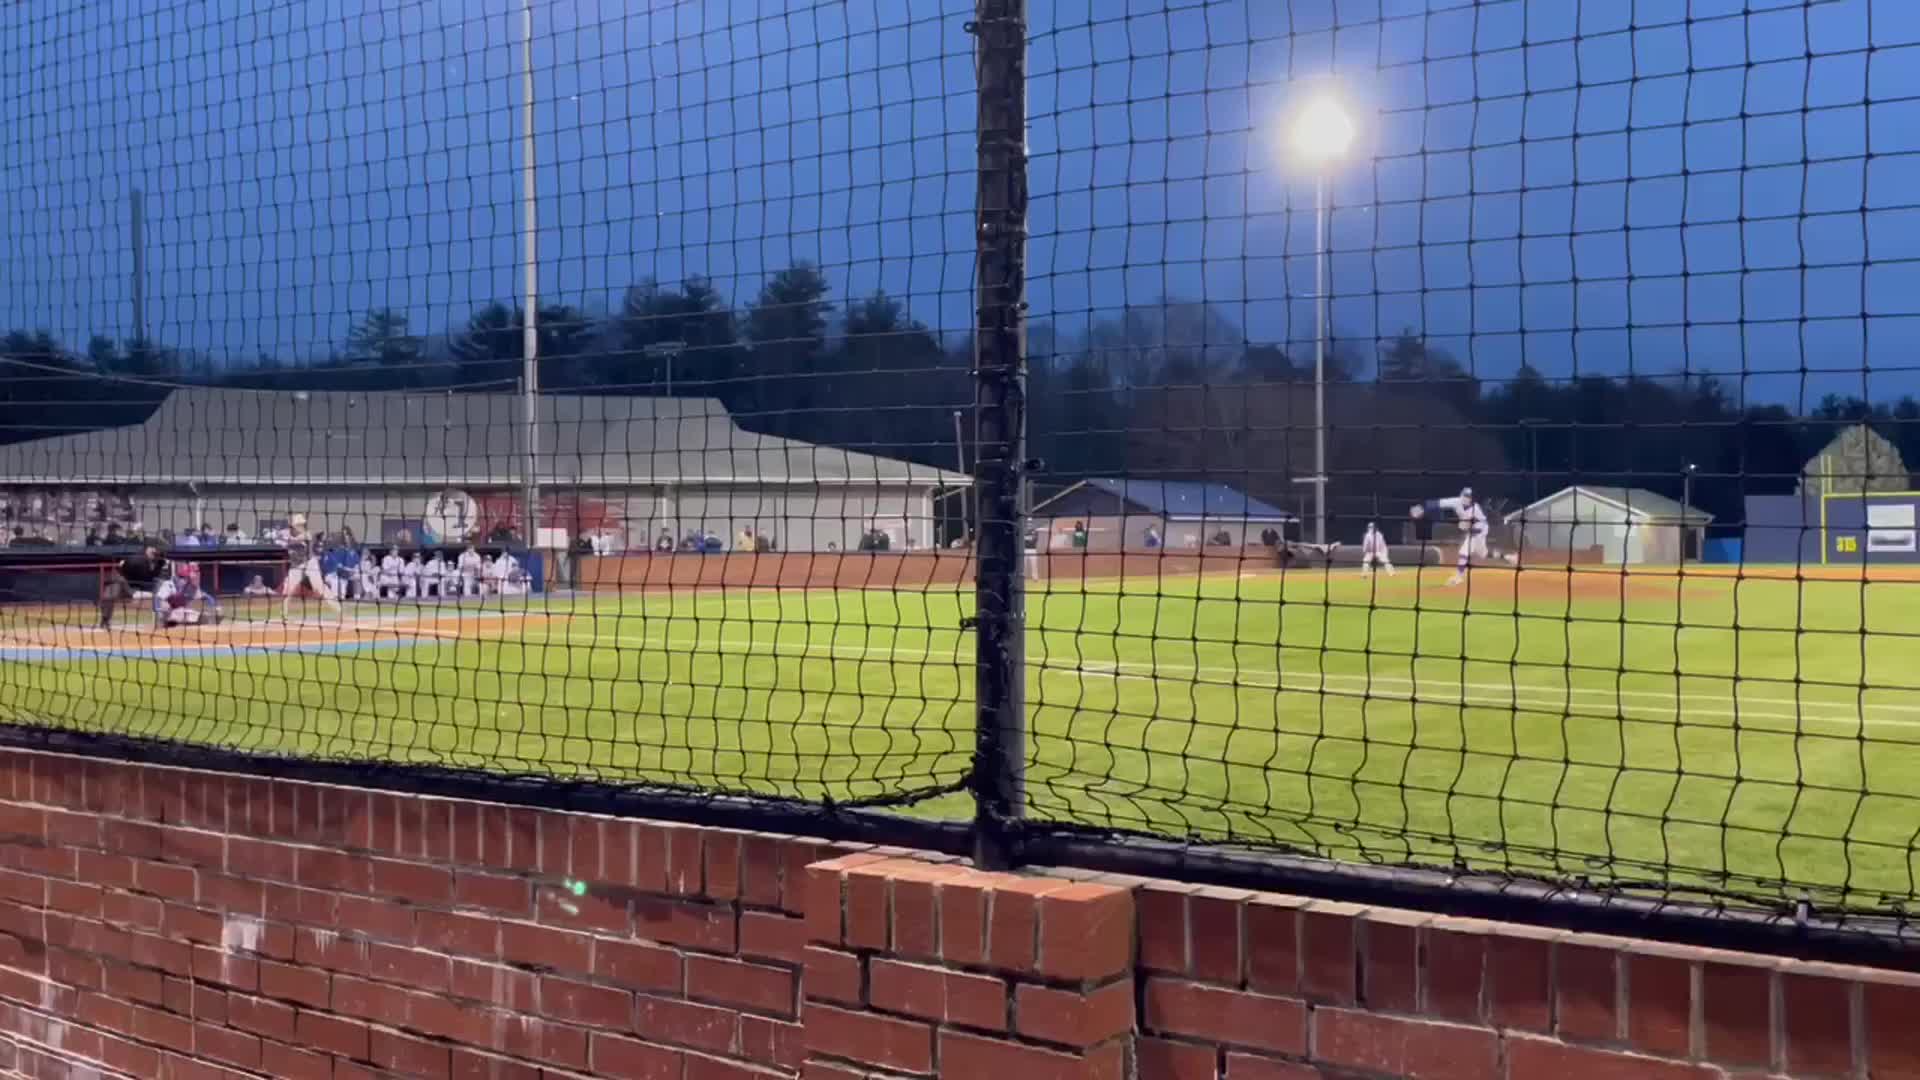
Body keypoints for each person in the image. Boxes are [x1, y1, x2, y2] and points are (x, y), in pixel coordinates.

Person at [1411, 486, 1488, 587]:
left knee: (1464, 552)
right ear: (1461, 495)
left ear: (1472, 498)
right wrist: (1422, 508)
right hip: (1470, 529)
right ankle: (1501, 555)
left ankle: (1458, 577)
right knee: (1482, 554)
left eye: (1468, 496)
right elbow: (1438, 503)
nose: (1466, 498)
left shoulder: (1475, 509)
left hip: (1480, 530)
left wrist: (1468, 529)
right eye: (1465, 495)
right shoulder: (1456, 501)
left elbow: (1479, 526)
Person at [280, 513, 343, 620]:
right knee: (288, 589)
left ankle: (338, 610)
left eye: (302, 524)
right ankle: (284, 613)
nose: (301, 526)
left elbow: (298, 539)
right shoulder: (287, 534)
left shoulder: (307, 534)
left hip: (310, 563)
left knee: (319, 587)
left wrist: (286, 539)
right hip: (296, 566)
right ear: (293, 526)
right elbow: (283, 539)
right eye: (298, 525)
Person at [99, 544, 167, 630]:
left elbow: (149, 578)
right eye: (154, 553)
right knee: (109, 597)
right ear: (148, 549)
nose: (156, 557)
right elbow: (146, 579)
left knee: (160, 591)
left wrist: (158, 565)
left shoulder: (151, 560)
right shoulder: (139, 560)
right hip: (121, 580)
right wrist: (158, 566)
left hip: (131, 585)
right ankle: (105, 620)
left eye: (157, 555)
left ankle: (161, 620)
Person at [153, 564, 221, 630]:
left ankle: (179, 625)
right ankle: (165, 622)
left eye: (185, 578)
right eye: (181, 577)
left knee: (203, 618)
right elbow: (158, 599)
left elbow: (206, 597)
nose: (184, 580)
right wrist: (158, 611)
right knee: (172, 610)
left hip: (181, 612)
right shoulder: (168, 585)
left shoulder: (190, 588)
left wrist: (215, 607)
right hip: (166, 613)